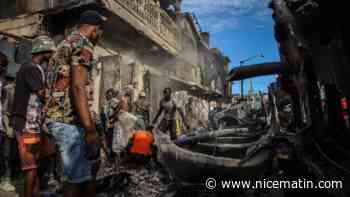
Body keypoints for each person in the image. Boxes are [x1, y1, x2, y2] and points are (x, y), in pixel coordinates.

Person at [45, 10, 106, 197]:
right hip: (67, 121)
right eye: (101, 32)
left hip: (57, 118)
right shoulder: (83, 44)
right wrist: (90, 129)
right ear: (95, 30)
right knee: (77, 182)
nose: (100, 37)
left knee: (83, 176)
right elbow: (78, 87)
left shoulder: (65, 43)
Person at [11, 36, 56, 197]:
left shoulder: (34, 68)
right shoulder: (31, 68)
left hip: (31, 124)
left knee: (34, 167)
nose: (52, 53)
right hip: (26, 124)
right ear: (43, 51)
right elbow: (42, 93)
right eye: (50, 50)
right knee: (31, 168)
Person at [0, 52, 16, 192]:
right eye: (2, 65)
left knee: (6, 152)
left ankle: (6, 177)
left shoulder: (8, 85)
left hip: (4, 122)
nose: (3, 69)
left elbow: (7, 107)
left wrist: (7, 123)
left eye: (4, 66)